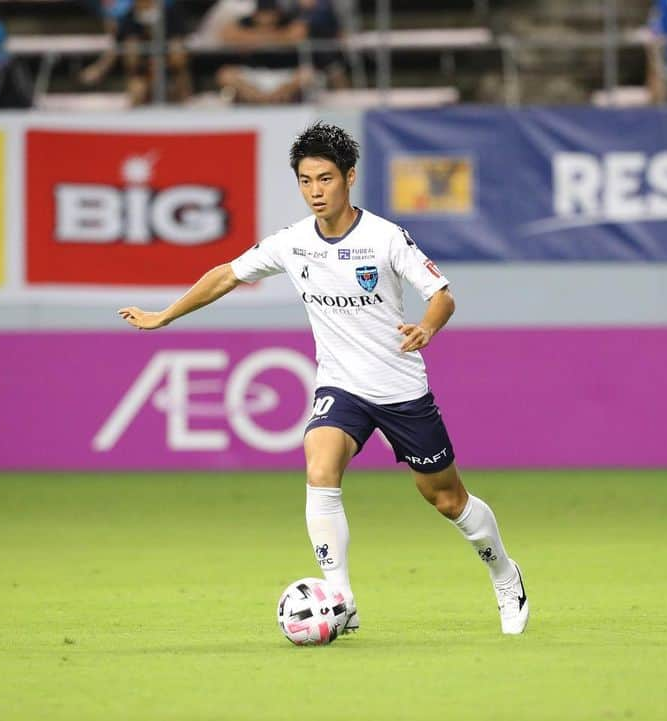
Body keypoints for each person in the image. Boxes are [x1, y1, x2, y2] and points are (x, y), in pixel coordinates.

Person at [117, 122, 530, 636]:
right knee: (319, 469)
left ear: (349, 178)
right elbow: (225, 273)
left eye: (326, 179)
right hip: (341, 386)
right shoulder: (291, 243)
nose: (315, 190)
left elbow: (442, 293)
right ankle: (341, 597)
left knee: (447, 499)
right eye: (306, 180)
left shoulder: (385, 237)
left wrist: (427, 326)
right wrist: (165, 315)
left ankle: (503, 573)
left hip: (400, 388)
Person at [80, 0, 191, 105]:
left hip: (169, 68)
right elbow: (116, 48)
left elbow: (181, 43)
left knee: (177, 51)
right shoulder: (130, 16)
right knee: (137, 90)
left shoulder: (169, 13)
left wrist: (168, 62)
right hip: (142, 69)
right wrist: (99, 68)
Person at [215, 0, 315, 104]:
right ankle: (259, 98)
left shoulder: (287, 20)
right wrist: (276, 37)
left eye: (270, 13)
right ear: (256, 14)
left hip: (284, 73)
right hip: (253, 73)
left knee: (306, 74)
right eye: (263, 14)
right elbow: (226, 34)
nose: (267, 18)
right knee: (226, 74)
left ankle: (276, 98)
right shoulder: (246, 22)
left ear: (277, 13)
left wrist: (252, 39)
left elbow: (298, 34)